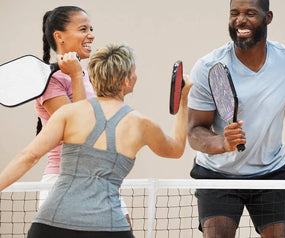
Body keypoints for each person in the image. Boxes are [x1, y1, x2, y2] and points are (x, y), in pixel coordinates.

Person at [187, 0, 285, 238]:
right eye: (234, 13)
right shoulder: (209, 66)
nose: (240, 20)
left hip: (272, 172)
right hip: (218, 174)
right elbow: (194, 131)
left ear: (268, 18)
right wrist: (222, 142)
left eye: (250, 13)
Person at [0, 43, 191, 237]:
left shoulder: (69, 113)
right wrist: (184, 101)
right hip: (107, 227)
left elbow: (29, 156)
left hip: (52, 224)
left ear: (91, 78)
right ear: (126, 81)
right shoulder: (141, 124)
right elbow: (176, 150)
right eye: (134, 72)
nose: (136, 77)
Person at [36, 6, 133, 224]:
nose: (91, 34)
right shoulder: (51, 82)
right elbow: (78, 130)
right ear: (59, 36)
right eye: (83, 29)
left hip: (100, 178)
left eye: (91, 28)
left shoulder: (88, 76)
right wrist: (75, 76)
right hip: (62, 181)